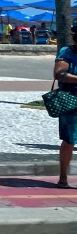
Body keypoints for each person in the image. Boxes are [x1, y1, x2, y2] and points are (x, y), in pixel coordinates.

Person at [52, 34, 77, 188]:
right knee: (69, 139)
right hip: (71, 99)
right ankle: (63, 178)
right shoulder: (66, 52)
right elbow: (59, 74)